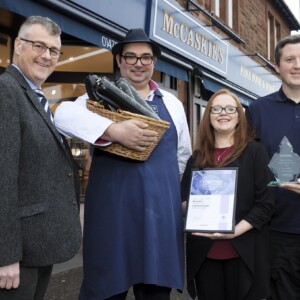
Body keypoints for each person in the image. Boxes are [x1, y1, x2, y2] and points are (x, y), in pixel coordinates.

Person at [54, 28, 192, 299]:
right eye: (130, 56)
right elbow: (62, 116)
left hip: (158, 220)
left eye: (145, 57)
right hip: (112, 218)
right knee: (105, 290)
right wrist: (113, 131)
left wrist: (163, 195)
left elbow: (182, 155)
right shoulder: (97, 98)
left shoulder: (174, 105)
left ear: (154, 62)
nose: (138, 63)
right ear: (119, 61)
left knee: (155, 292)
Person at [0, 16, 82, 300]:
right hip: (17, 257)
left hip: (37, 248)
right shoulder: (6, 91)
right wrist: (5, 255)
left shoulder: (35, 96)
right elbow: (2, 178)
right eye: (39, 46)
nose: (46, 56)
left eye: (54, 50)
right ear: (19, 46)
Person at [181, 89, 274, 300]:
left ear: (239, 117)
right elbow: (184, 201)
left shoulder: (255, 153)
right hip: (205, 255)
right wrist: (194, 207)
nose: (224, 113)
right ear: (209, 116)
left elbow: (266, 204)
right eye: (217, 109)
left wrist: (235, 231)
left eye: (230, 108)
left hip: (243, 253)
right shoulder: (196, 158)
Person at [245, 34, 300, 300]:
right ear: (277, 66)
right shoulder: (257, 110)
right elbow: (246, 166)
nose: (297, 65)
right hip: (277, 230)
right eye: (290, 60)